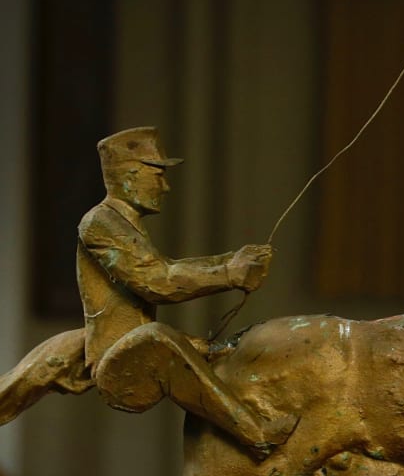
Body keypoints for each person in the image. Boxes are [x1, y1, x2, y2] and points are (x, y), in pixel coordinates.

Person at [0, 126, 291, 458]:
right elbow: (156, 281)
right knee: (157, 337)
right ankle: (255, 433)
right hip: (120, 366)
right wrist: (228, 273)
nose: (165, 187)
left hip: (126, 346)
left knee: (221, 349)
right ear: (130, 174)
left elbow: (163, 265)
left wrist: (233, 261)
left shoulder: (122, 222)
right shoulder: (100, 223)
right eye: (158, 175)